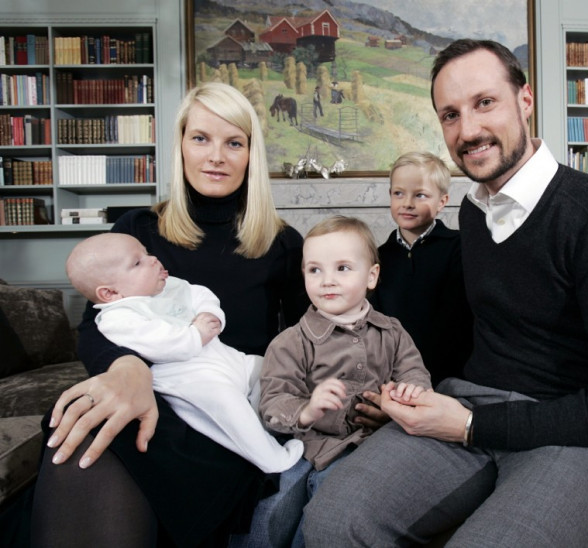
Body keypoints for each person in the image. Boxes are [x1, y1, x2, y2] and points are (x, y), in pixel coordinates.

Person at [303, 39, 588, 546]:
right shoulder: (473, 213)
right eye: (450, 115)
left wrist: (473, 425)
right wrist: (409, 392)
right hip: (469, 404)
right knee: (330, 520)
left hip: (578, 437)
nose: (468, 130)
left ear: (526, 99)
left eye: (484, 102)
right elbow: (467, 335)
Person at [28, 82, 384, 547]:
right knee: (75, 429)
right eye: (201, 138)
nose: (216, 155)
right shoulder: (137, 231)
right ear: (180, 145)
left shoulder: (282, 244)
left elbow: (318, 338)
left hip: (229, 411)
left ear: (250, 154)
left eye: (233, 142)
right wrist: (129, 369)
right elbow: (96, 326)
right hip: (152, 397)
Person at [64, 232, 304, 474]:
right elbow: (157, 341)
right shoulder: (117, 317)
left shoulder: (169, 287)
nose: (153, 259)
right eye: (138, 263)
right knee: (229, 409)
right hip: (192, 379)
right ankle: (273, 459)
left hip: (228, 360)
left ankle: (269, 421)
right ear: (110, 293)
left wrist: (210, 313)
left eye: (147, 253)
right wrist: (195, 335)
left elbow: (200, 293)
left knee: (269, 368)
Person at [259, 215, 432, 546]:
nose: (327, 281)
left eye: (342, 268)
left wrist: (413, 388)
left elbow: (413, 370)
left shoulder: (391, 332)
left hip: (377, 447)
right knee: (293, 510)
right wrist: (307, 409)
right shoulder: (291, 342)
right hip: (314, 449)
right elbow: (273, 401)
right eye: (314, 270)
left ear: (371, 276)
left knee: (357, 501)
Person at [370, 151, 473, 385]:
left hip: (451, 374)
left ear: (442, 202)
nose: (407, 203)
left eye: (420, 195)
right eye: (399, 193)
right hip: (395, 375)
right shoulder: (378, 257)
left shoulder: (460, 248)